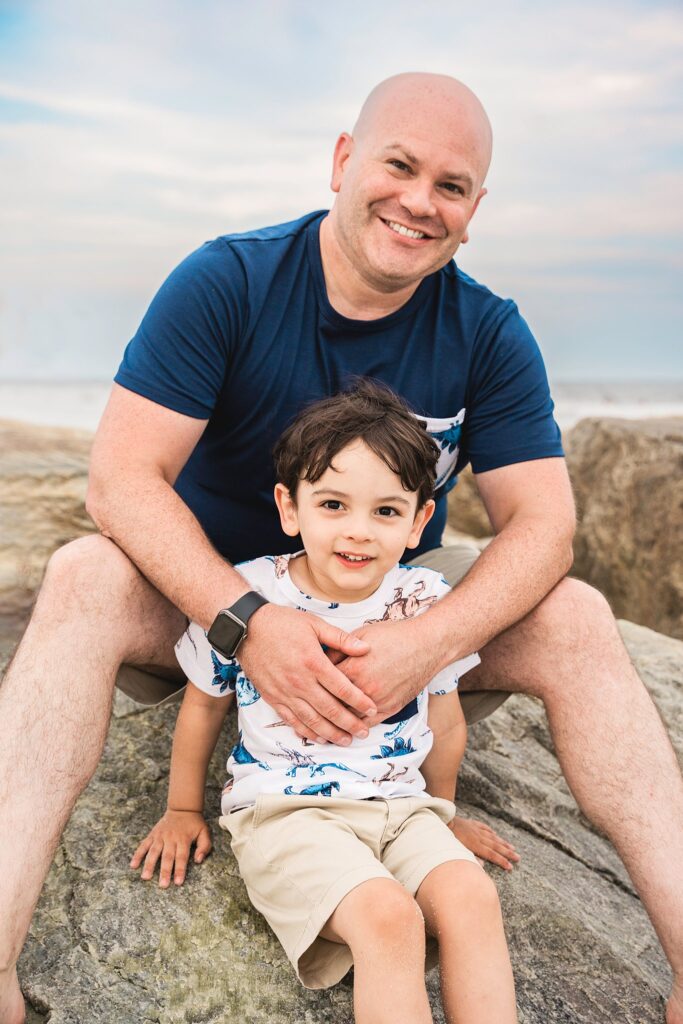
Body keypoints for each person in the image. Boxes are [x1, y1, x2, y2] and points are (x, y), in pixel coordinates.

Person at [0, 71, 682, 1024]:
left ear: (473, 211)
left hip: (385, 622)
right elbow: (120, 480)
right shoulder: (228, 280)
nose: (418, 201)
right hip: (212, 600)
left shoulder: (486, 328)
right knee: (78, 575)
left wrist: (426, 642)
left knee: (572, 613)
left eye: (451, 185)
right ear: (341, 161)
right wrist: (250, 625)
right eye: (399, 165)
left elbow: (545, 525)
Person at [130, 381, 518, 1024]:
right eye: (333, 504)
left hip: (402, 809)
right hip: (290, 816)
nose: (357, 532)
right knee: (389, 918)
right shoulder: (250, 594)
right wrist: (180, 808)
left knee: (472, 897)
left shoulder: (424, 601)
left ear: (422, 520)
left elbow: (443, 716)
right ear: (290, 507)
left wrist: (443, 813)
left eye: (386, 512)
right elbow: (203, 706)